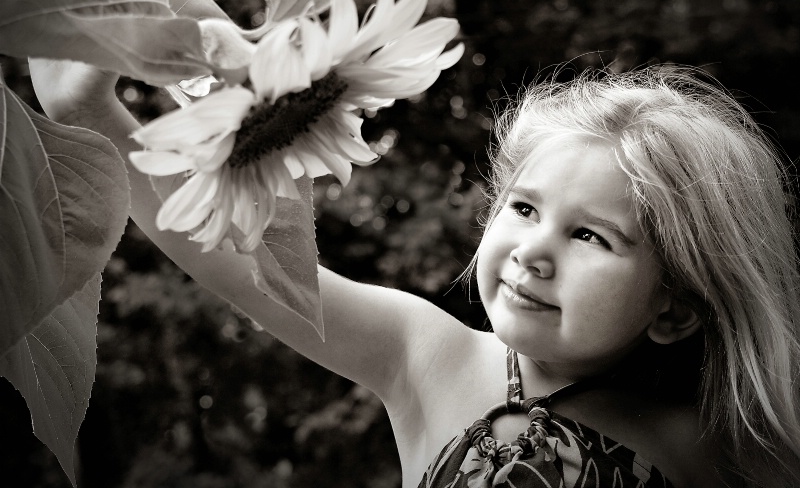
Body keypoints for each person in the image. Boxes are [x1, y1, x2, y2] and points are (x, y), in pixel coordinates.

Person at [30, 60, 800, 488]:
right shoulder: (428, 355)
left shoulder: (729, 445)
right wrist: (91, 110)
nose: (535, 250)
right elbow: (241, 265)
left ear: (676, 309)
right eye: (524, 209)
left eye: (591, 235)